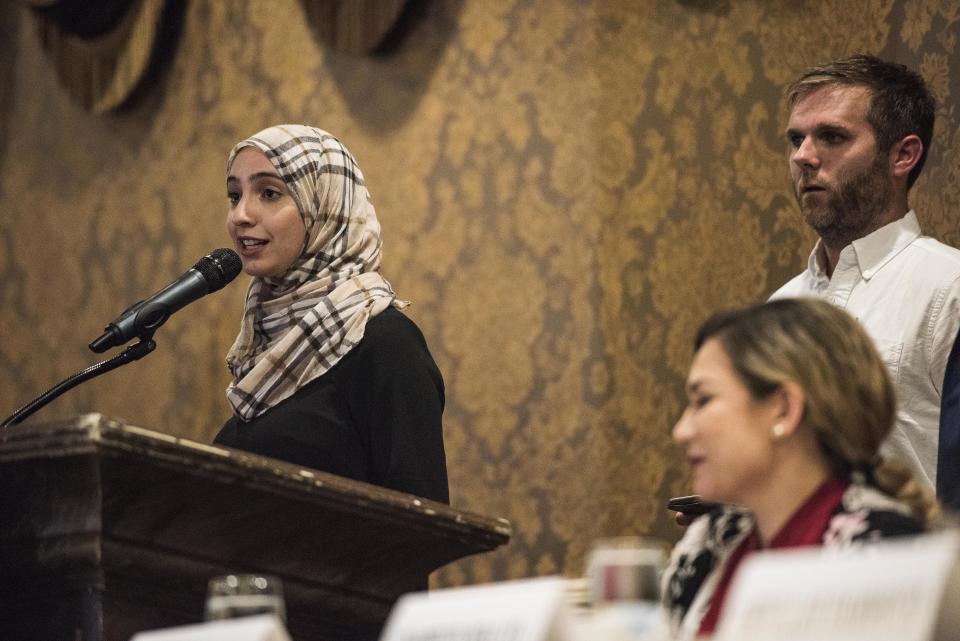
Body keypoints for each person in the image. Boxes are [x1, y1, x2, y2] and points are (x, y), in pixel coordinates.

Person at [662, 298, 934, 640]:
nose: (682, 430)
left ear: (783, 410)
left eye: (704, 400)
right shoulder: (710, 543)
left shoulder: (887, 557)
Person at [213, 124, 449, 504]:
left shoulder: (385, 342)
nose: (240, 214)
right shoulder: (262, 346)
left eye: (269, 193)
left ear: (326, 207)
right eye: (234, 195)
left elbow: (423, 526)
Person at [770, 54, 960, 497]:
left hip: (912, 563)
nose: (803, 156)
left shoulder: (949, 289)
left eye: (832, 136)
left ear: (903, 155)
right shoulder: (779, 310)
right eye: (796, 139)